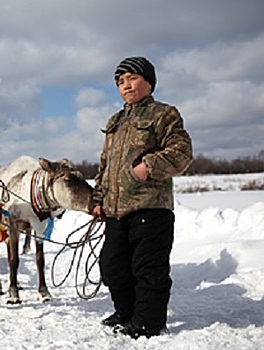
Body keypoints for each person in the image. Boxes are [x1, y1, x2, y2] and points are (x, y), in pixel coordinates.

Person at [91, 56, 193, 339]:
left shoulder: (164, 114)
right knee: (112, 266)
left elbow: (181, 152)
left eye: (132, 78)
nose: (126, 85)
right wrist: (98, 199)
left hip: (150, 207)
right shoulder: (115, 121)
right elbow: (105, 166)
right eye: (120, 81)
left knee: (148, 269)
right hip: (115, 210)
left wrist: (147, 167)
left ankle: (148, 322)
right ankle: (127, 313)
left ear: (149, 82)